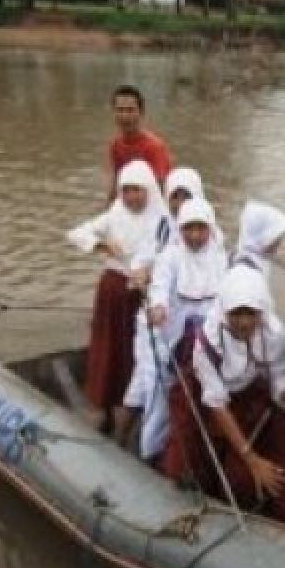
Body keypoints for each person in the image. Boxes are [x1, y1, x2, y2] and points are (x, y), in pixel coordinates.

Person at [163, 267, 285, 514]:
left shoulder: (272, 333)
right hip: (202, 398)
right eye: (237, 313)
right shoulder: (208, 341)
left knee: (243, 479)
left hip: (245, 396)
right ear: (225, 310)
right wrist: (251, 458)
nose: (244, 322)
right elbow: (217, 405)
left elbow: (278, 378)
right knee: (181, 465)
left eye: (251, 313)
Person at [67, 160, 170, 432]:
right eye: (126, 190)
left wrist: (148, 271)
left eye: (138, 190)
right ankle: (104, 405)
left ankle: (134, 407)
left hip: (143, 296)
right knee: (109, 348)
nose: (132, 196)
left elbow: (168, 257)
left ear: (149, 190)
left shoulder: (162, 220)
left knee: (135, 352)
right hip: (113, 293)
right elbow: (76, 234)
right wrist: (102, 244)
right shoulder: (114, 215)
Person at [120, 166, 207, 450]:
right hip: (156, 327)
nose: (180, 203)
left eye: (186, 196)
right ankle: (130, 446)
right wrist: (142, 273)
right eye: (175, 196)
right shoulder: (161, 227)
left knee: (180, 395)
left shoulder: (209, 237)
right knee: (147, 387)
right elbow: (140, 264)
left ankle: (164, 449)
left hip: (193, 334)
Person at [137, 197, 228, 461]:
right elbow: (159, 288)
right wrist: (158, 307)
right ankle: (149, 454)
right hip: (173, 343)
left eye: (201, 228)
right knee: (161, 404)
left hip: (207, 346)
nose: (195, 235)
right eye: (189, 228)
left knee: (202, 403)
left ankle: (191, 456)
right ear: (180, 229)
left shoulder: (220, 259)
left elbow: (226, 298)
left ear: (210, 228)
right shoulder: (170, 257)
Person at [108, 85, 172, 198]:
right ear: (114, 113)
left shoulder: (154, 147)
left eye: (130, 110)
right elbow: (116, 185)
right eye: (120, 110)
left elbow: (161, 190)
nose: (125, 116)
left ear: (141, 112)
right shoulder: (115, 145)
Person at [232, 200, 285, 280]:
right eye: (276, 239)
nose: (279, 244)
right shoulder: (248, 275)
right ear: (262, 236)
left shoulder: (247, 259)